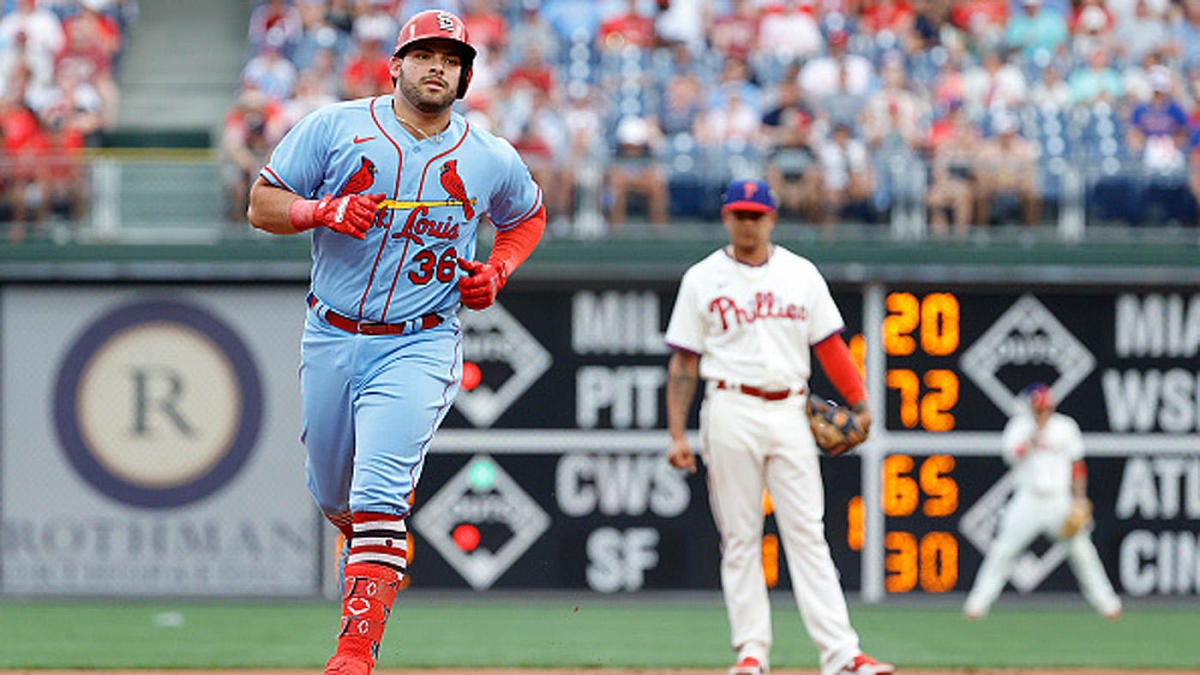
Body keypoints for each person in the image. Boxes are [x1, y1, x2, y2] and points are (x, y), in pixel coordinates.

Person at [246, 10, 545, 675]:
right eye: (424, 54)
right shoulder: (336, 126)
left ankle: (354, 652)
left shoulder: (487, 153)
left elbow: (526, 216)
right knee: (334, 495)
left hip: (420, 340)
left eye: (452, 57)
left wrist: (497, 269)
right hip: (331, 332)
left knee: (381, 494)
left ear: (465, 74)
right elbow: (262, 203)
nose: (438, 66)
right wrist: (319, 210)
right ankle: (372, 556)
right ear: (396, 65)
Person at [664, 178, 894, 675]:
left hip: (791, 409)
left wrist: (859, 400)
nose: (748, 222)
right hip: (729, 407)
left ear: (772, 218)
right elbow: (684, 362)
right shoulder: (702, 278)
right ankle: (751, 653)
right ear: (727, 218)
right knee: (741, 538)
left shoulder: (800, 273)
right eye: (740, 214)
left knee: (808, 534)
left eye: (756, 214)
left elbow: (830, 345)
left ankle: (841, 655)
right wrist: (677, 434)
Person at [963, 383, 1123, 621]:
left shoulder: (1066, 427)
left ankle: (1108, 604)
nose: (1044, 413)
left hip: (1059, 500)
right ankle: (978, 603)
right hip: (1027, 500)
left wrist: (1079, 498)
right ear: (1030, 407)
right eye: (1039, 408)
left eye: (1047, 408)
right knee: (1003, 550)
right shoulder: (1019, 427)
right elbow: (1013, 456)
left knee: (1083, 551)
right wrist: (1034, 434)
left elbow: (1077, 465)